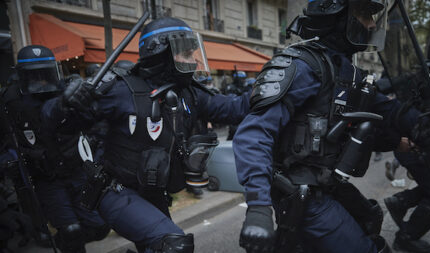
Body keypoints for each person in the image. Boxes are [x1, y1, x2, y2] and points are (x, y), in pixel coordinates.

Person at [233, 0, 430, 252]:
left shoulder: (345, 71)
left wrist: (424, 126)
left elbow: (389, 111)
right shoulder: (303, 66)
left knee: (369, 220)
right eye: (365, 14)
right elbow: (253, 134)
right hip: (300, 190)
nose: (373, 23)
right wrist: (258, 207)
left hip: (325, 183)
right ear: (336, 16)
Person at [41, 17, 250, 252]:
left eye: (193, 53)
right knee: (173, 244)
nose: (193, 60)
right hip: (116, 191)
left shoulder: (189, 93)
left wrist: (275, 85)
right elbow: (56, 122)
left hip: (154, 192)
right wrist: (65, 103)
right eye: (186, 54)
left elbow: (236, 108)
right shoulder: (120, 89)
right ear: (160, 53)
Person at [0, 45, 110, 253]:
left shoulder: (66, 92)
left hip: (75, 170)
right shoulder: (10, 101)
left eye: (46, 74)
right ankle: (69, 241)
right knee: (71, 229)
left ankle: (64, 243)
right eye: (35, 76)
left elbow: (93, 122)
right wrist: (9, 158)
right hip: (45, 177)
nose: (42, 81)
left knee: (100, 226)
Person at [383, 31, 430, 253]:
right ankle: (405, 239)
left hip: (414, 147)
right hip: (417, 148)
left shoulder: (424, 75)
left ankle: (399, 202)